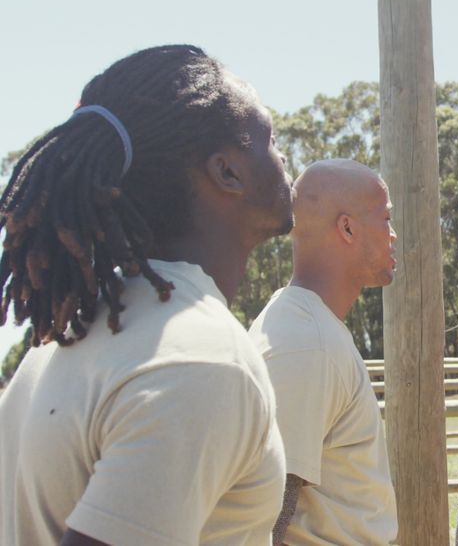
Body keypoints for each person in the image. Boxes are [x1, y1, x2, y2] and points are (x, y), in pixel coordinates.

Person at [0, 45, 294, 545]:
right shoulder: (199, 359)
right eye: (268, 138)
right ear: (228, 173)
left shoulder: (57, 344)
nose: (283, 156)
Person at [248, 158, 398, 546]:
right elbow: (269, 506)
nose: (393, 235)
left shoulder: (308, 326)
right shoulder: (306, 342)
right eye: (385, 218)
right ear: (347, 227)